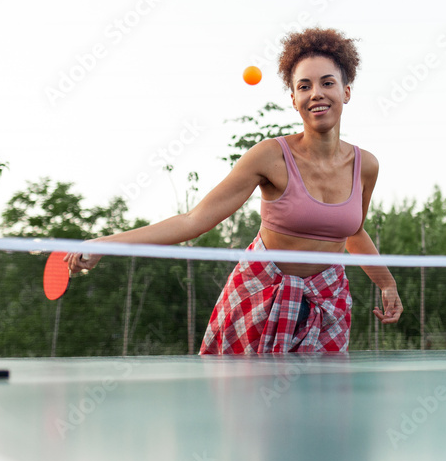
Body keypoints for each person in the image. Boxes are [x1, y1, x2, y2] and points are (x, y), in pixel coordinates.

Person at [68, 27, 402, 354]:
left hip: (327, 300)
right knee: (244, 404)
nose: (316, 93)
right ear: (293, 99)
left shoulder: (366, 165)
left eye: (327, 82)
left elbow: (352, 230)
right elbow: (193, 220)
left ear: (346, 91)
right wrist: (105, 245)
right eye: (304, 86)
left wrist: (386, 283)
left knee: (327, 405)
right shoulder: (269, 157)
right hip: (260, 292)